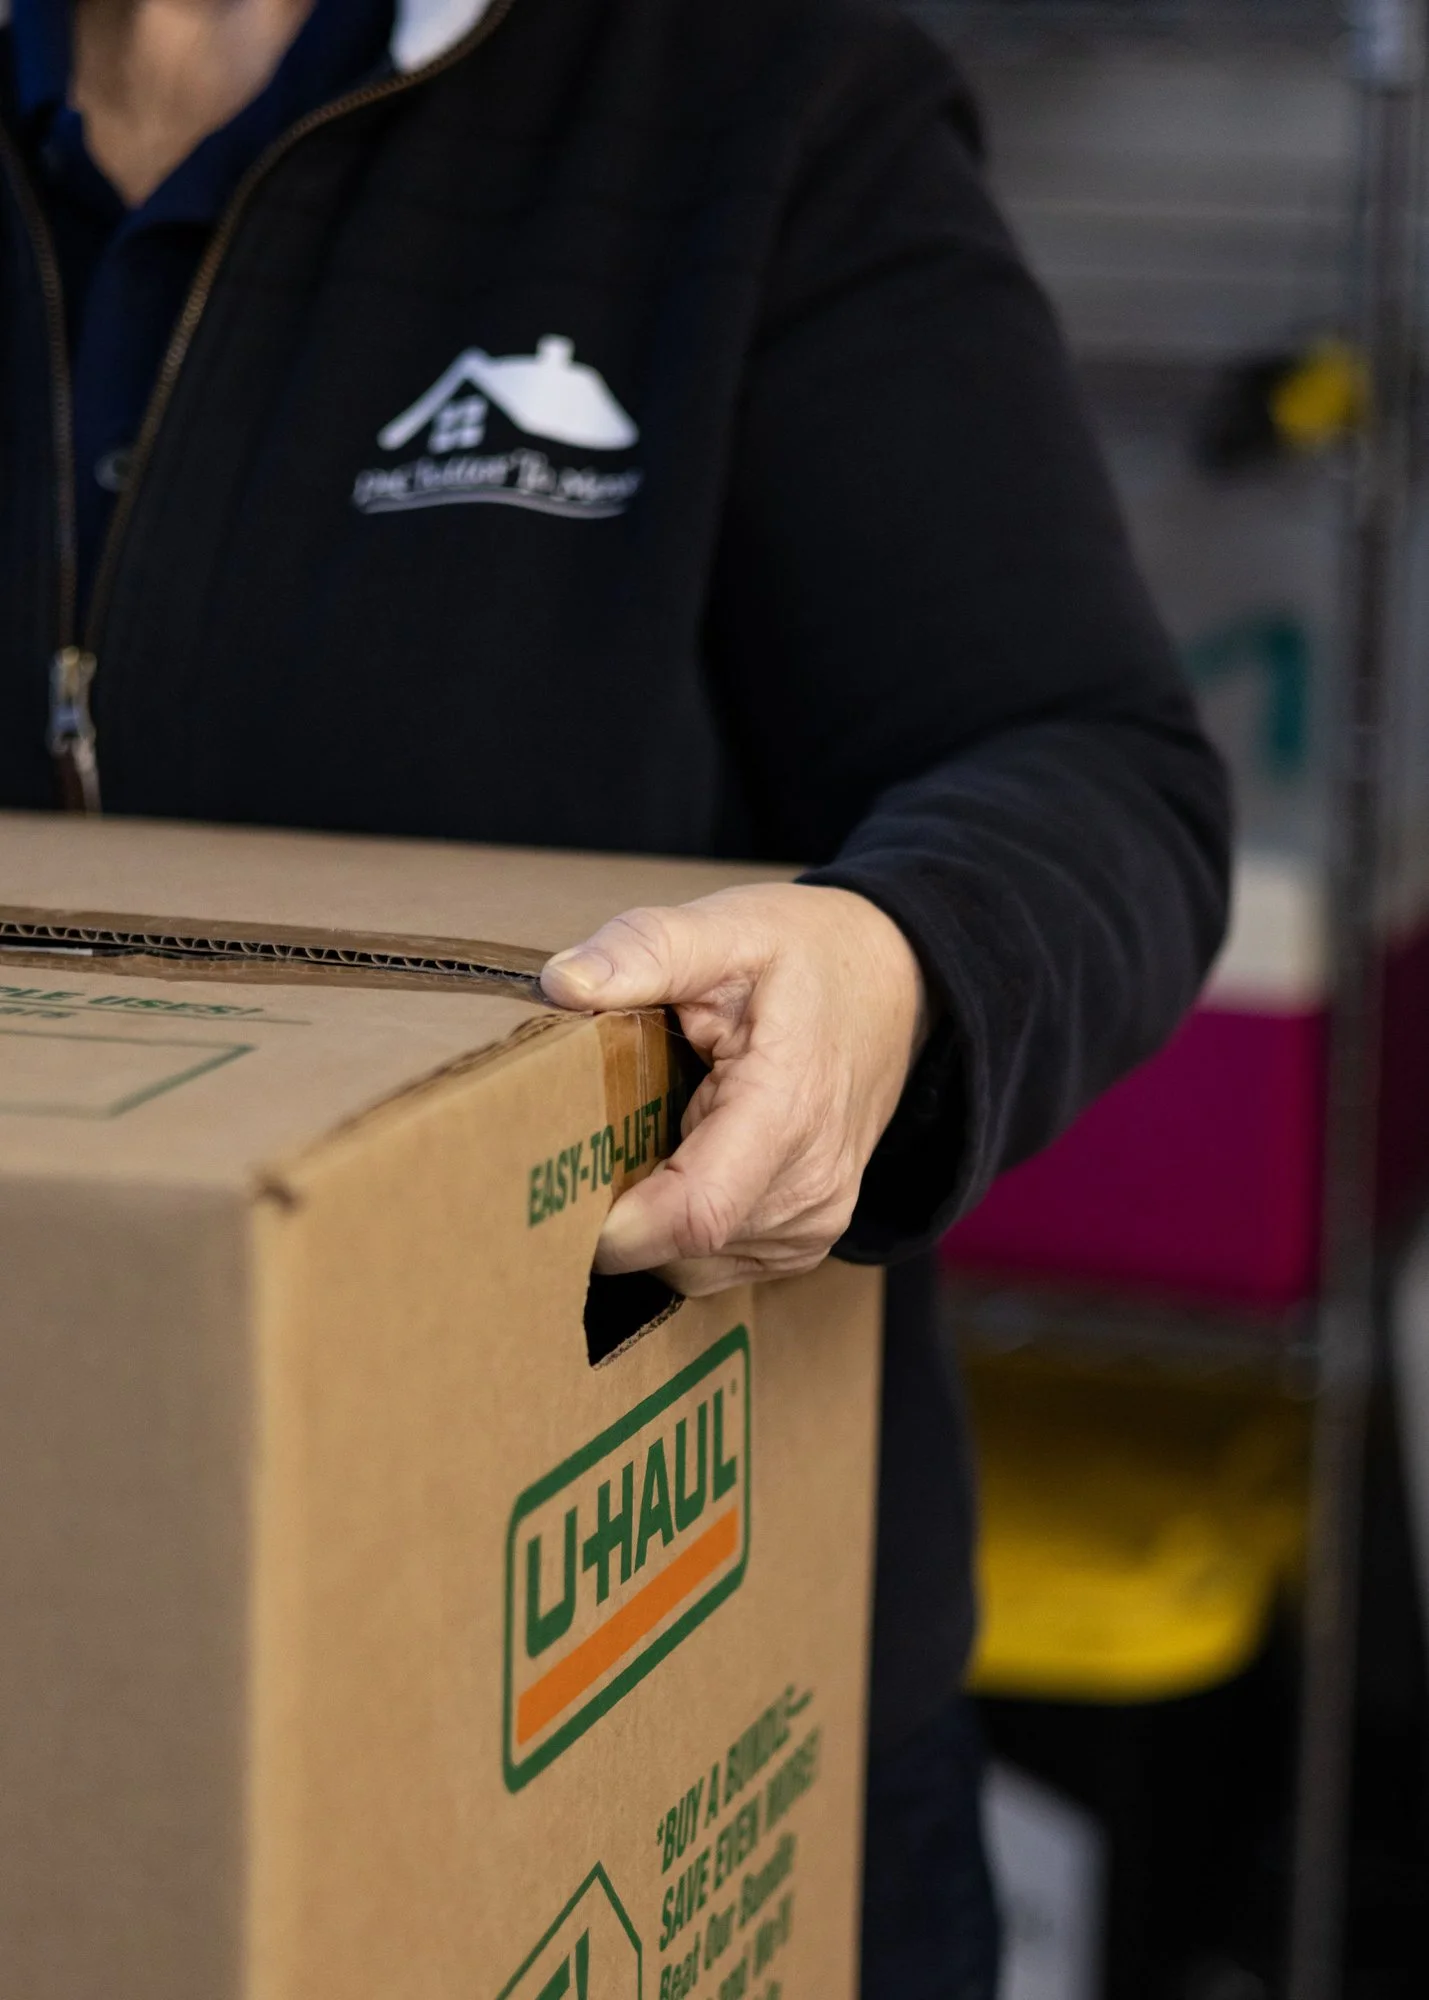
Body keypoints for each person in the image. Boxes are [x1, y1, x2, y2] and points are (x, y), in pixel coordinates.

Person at [0, 1, 1231, 1991]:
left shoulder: (752, 94)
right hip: (55, 1695)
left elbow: (1094, 765)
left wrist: (901, 967)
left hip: (672, 1699)